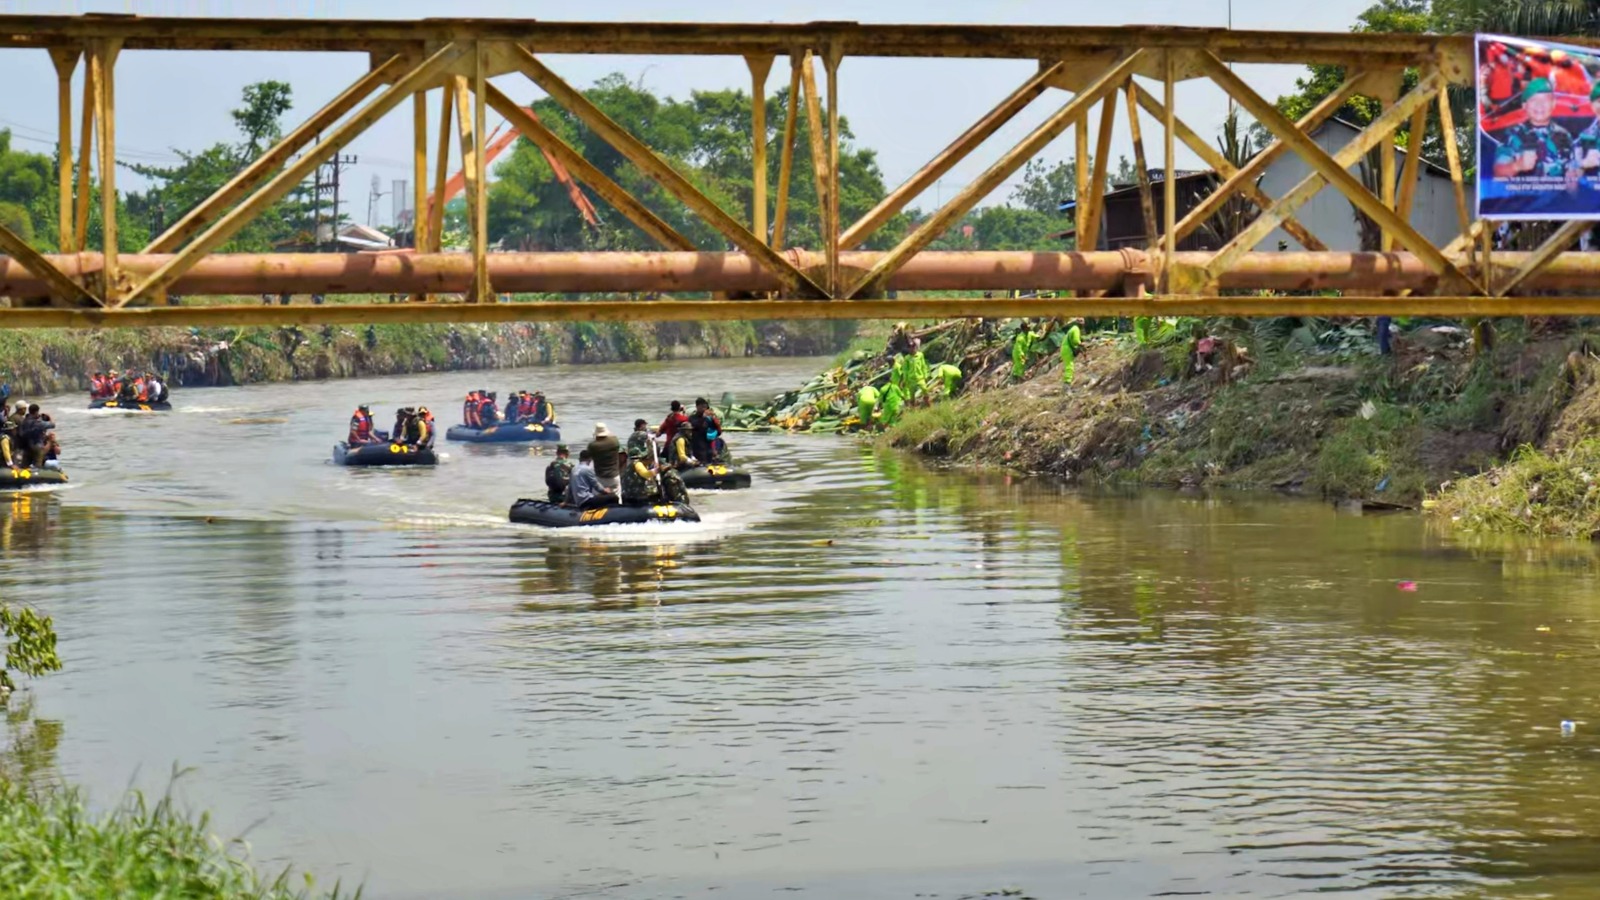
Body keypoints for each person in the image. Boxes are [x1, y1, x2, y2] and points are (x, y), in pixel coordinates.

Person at [1493, 78, 1576, 179]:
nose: (1540, 105)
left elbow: (1572, 179)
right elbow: (1498, 172)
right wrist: (1517, 166)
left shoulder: (1564, 135)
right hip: (1522, 194)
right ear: (1524, 106)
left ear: (1553, 104)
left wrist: (1574, 177)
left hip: (1557, 194)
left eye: (1545, 100)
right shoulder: (1512, 134)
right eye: (1533, 100)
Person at [688, 398, 724, 464]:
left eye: (705, 407)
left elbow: (718, 432)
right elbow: (695, 426)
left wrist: (714, 420)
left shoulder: (709, 419)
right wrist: (703, 418)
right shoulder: (692, 418)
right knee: (702, 462)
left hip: (709, 446)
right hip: (698, 446)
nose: (704, 409)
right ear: (697, 407)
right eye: (702, 407)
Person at [588, 422, 621, 493]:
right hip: (614, 476)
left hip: (600, 477)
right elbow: (612, 436)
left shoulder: (592, 445)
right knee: (616, 498)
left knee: (599, 500)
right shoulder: (614, 441)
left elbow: (589, 457)